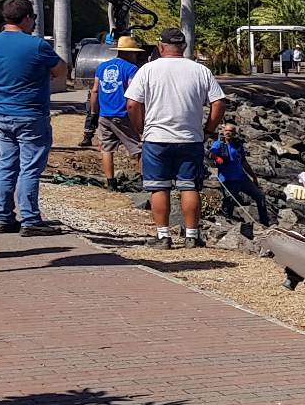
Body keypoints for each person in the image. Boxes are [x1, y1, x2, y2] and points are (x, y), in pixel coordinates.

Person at [126, 27, 225, 249]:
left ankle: (163, 237)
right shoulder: (200, 71)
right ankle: (192, 236)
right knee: (189, 186)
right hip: (190, 138)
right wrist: (208, 130)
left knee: (158, 187)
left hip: (156, 138)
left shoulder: (147, 70)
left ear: (160, 47)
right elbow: (218, 103)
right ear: (184, 47)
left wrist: (140, 130)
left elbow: (132, 104)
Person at [0, 0, 67, 236]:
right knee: (29, 167)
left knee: (6, 165)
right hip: (30, 114)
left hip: (2, 113)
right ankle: (30, 219)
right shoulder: (37, 45)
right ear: (28, 18)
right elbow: (61, 70)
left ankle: (4, 216)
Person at [90, 35, 146, 190]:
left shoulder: (102, 67)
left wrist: (94, 113)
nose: (136, 56)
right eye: (135, 53)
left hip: (104, 114)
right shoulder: (131, 69)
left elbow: (95, 90)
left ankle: (110, 183)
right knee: (140, 147)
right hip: (123, 115)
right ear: (128, 53)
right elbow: (135, 93)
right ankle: (142, 180)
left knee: (106, 149)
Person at [207, 123, 272, 227]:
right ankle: (227, 225)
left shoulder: (238, 145)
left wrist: (253, 176)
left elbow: (244, 162)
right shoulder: (219, 144)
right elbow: (211, 153)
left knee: (259, 196)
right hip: (228, 179)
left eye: (231, 131)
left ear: (234, 134)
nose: (228, 133)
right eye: (226, 130)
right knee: (229, 202)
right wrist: (216, 158)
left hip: (242, 178)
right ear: (223, 132)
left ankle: (264, 223)